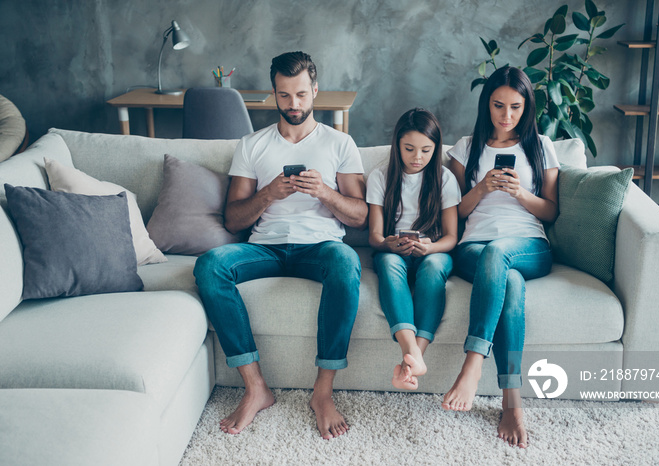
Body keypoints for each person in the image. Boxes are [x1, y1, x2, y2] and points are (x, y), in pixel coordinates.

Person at [193, 51, 368, 440]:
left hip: (321, 247)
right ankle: (255, 387)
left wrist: (324, 191)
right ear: (274, 93)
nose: (294, 105)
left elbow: (359, 216)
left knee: (346, 260)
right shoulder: (252, 145)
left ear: (315, 91)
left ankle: (322, 392)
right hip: (266, 248)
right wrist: (269, 193)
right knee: (210, 265)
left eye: (302, 95)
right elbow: (233, 220)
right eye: (285, 96)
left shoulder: (340, 143)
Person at [443, 66, 560, 448]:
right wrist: (481, 188)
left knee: (502, 255)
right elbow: (455, 213)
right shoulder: (466, 147)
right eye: (498, 106)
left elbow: (551, 212)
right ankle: (512, 401)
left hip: (528, 245)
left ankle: (473, 364)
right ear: (486, 104)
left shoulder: (541, 145)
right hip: (474, 248)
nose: (506, 116)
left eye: (515, 107)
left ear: (527, 107)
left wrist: (519, 194)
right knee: (505, 276)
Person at [367, 108, 460, 390]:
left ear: (436, 149)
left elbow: (452, 237)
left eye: (426, 150)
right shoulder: (380, 177)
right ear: (397, 145)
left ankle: (412, 358)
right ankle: (414, 354)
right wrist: (388, 244)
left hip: (432, 251)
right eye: (409, 149)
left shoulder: (444, 179)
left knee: (432, 268)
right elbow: (374, 235)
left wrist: (429, 248)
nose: (417, 157)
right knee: (388, 263)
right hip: (395, 251)